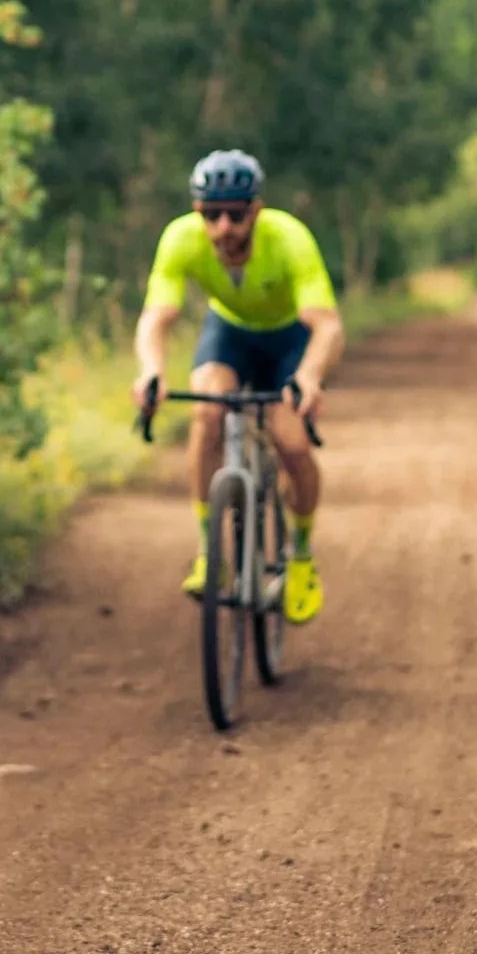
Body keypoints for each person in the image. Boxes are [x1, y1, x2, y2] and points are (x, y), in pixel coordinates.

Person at [130, 149, 345, 624]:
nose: (223, 227)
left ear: (256, 210)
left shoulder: (288, 238)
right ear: (197, 212)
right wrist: (151, 371)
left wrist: (308, 377)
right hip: (230, 333)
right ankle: (212, 554)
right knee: (207, 413)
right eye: (211, 214)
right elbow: (156, 316)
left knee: (290, 441)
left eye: (235, 214)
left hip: (290, 339)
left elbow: (326, 325)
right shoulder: (180, 239)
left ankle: (302, 558)